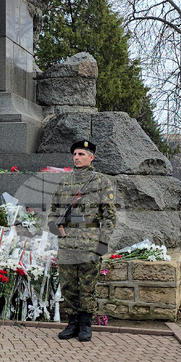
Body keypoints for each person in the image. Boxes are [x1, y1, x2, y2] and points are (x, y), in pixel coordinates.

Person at [48, 140, 116, 342]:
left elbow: (109, 216)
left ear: (91, 157)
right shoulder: (65, 181)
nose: (77, 157)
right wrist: (55, 227)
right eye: (75, 154)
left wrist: (103, 242)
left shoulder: (101, 181)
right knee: (68, 286)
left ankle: (86, 324)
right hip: (67, 242)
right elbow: (53, 209)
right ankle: (72, 323)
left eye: (81, 154)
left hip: (90, 242)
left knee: (87, 286)